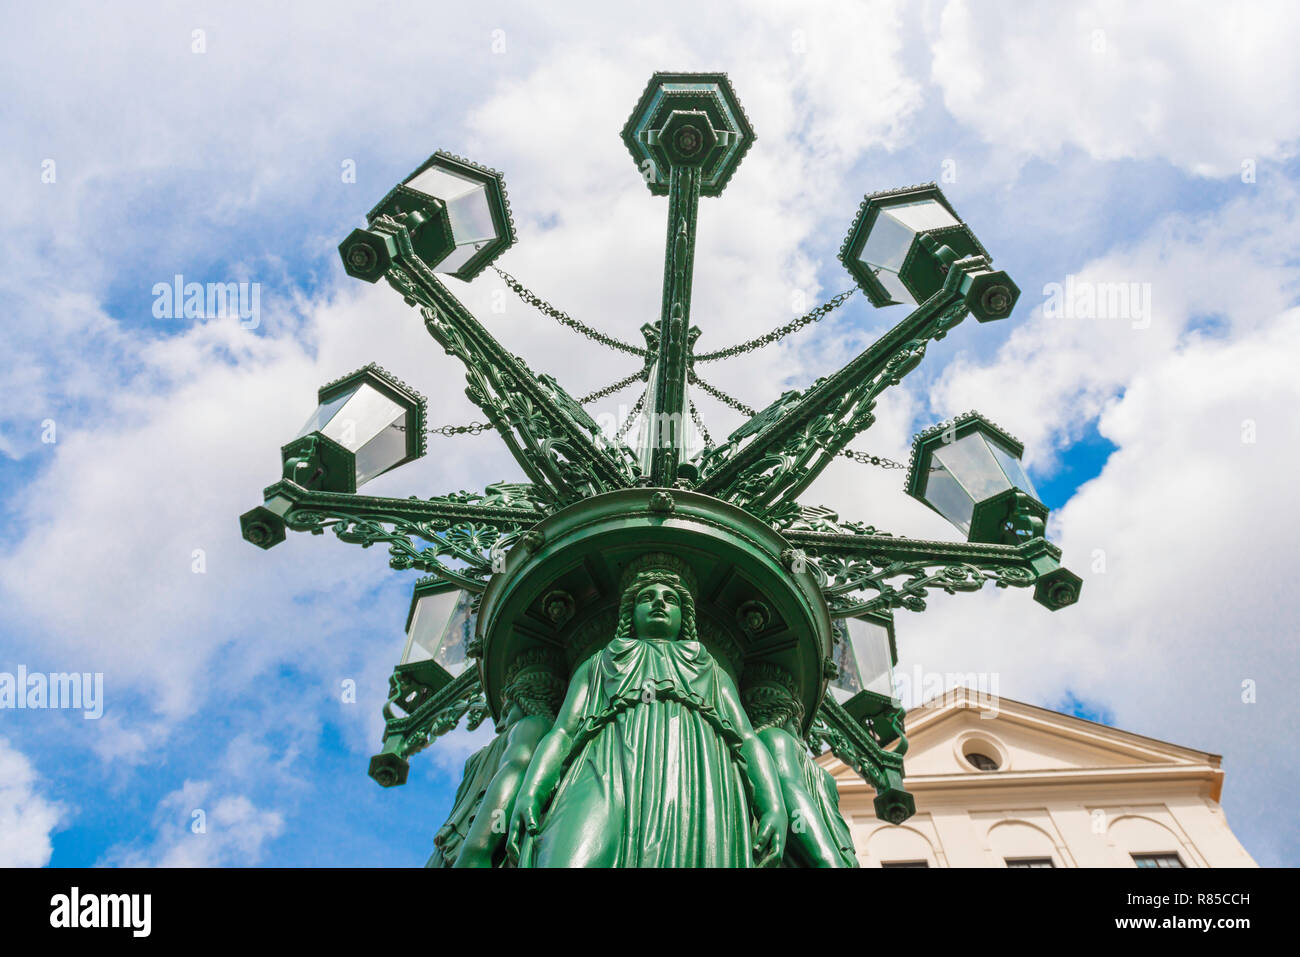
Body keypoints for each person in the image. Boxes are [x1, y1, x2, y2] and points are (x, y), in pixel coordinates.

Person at [505, 553, 788, 867]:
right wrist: (531, 791)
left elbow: (747, 739)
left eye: (671, 599)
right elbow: (562, 731)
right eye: (646, 597)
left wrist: (772, 805)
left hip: (694, 776)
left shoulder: (711, 670)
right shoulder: (598, 664)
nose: (659, 603)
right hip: (604, 771)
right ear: (630, 612)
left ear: (685, 617)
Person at [453, 652, 564, 867]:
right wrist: (478, 850)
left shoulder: (532, 724)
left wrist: (476, 849)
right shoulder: (532, 728)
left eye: (507, 710)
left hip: (456, 846)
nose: (499, 725)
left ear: (527, 702)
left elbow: (513, 773)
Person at [743, 665, 859, 868]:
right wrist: (827, 858)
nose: (802, 738)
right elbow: (791, 794)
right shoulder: (775, 737)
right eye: (796, 725)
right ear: (781, 716)